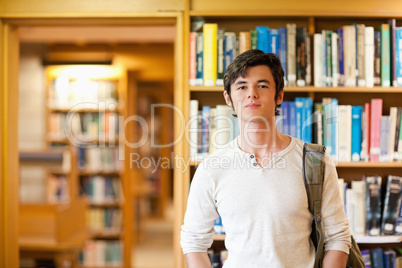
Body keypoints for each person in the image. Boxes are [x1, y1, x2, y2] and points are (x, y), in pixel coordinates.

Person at [180, 49, 351, 268]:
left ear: (279, 95)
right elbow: (193, 241)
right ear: (228, 98)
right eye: (242, 87)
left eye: (262, 85)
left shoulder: (315, 161)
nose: (251, 94)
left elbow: (337, 238)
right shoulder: (212, 168)